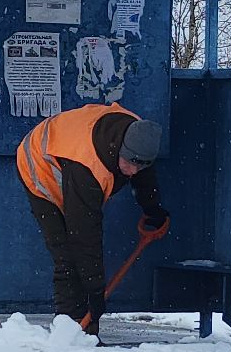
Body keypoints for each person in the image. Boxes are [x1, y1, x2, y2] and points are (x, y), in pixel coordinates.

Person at [16, 102, 169, 337]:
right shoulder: (87, 168)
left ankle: (86, 332)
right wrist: (96, 291)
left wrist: (153, 210)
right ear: (119, 149)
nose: (133, 172)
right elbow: (84, 236)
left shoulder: (137, 134)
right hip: (39, 164)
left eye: (140, 164)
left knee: (81, 257)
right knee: (66, 254)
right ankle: (71, 331)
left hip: (71, 156)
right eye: (129, 163)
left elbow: (144, 175)